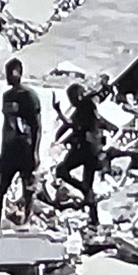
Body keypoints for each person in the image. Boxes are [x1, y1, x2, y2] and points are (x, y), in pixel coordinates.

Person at [0, 58, 42, 227]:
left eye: (11, 72)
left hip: (25, 146)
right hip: (9, 149)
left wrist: (35, 151)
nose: (8, 76)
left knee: (28, 187)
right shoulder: (7, 96)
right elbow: (7, 124)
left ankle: (27, 220)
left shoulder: (29, 96)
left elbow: (36, 125)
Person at [53, 80, 105, 225]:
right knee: (88, 184)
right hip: (93, 148)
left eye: (72, 97)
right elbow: (73, 125)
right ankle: (94, 220)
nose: (71, 101)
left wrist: (59, 113)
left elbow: (74, 126)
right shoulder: (88, 105)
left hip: (85, 149)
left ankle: (84, 190)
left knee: (61, 170)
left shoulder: (85, 106)